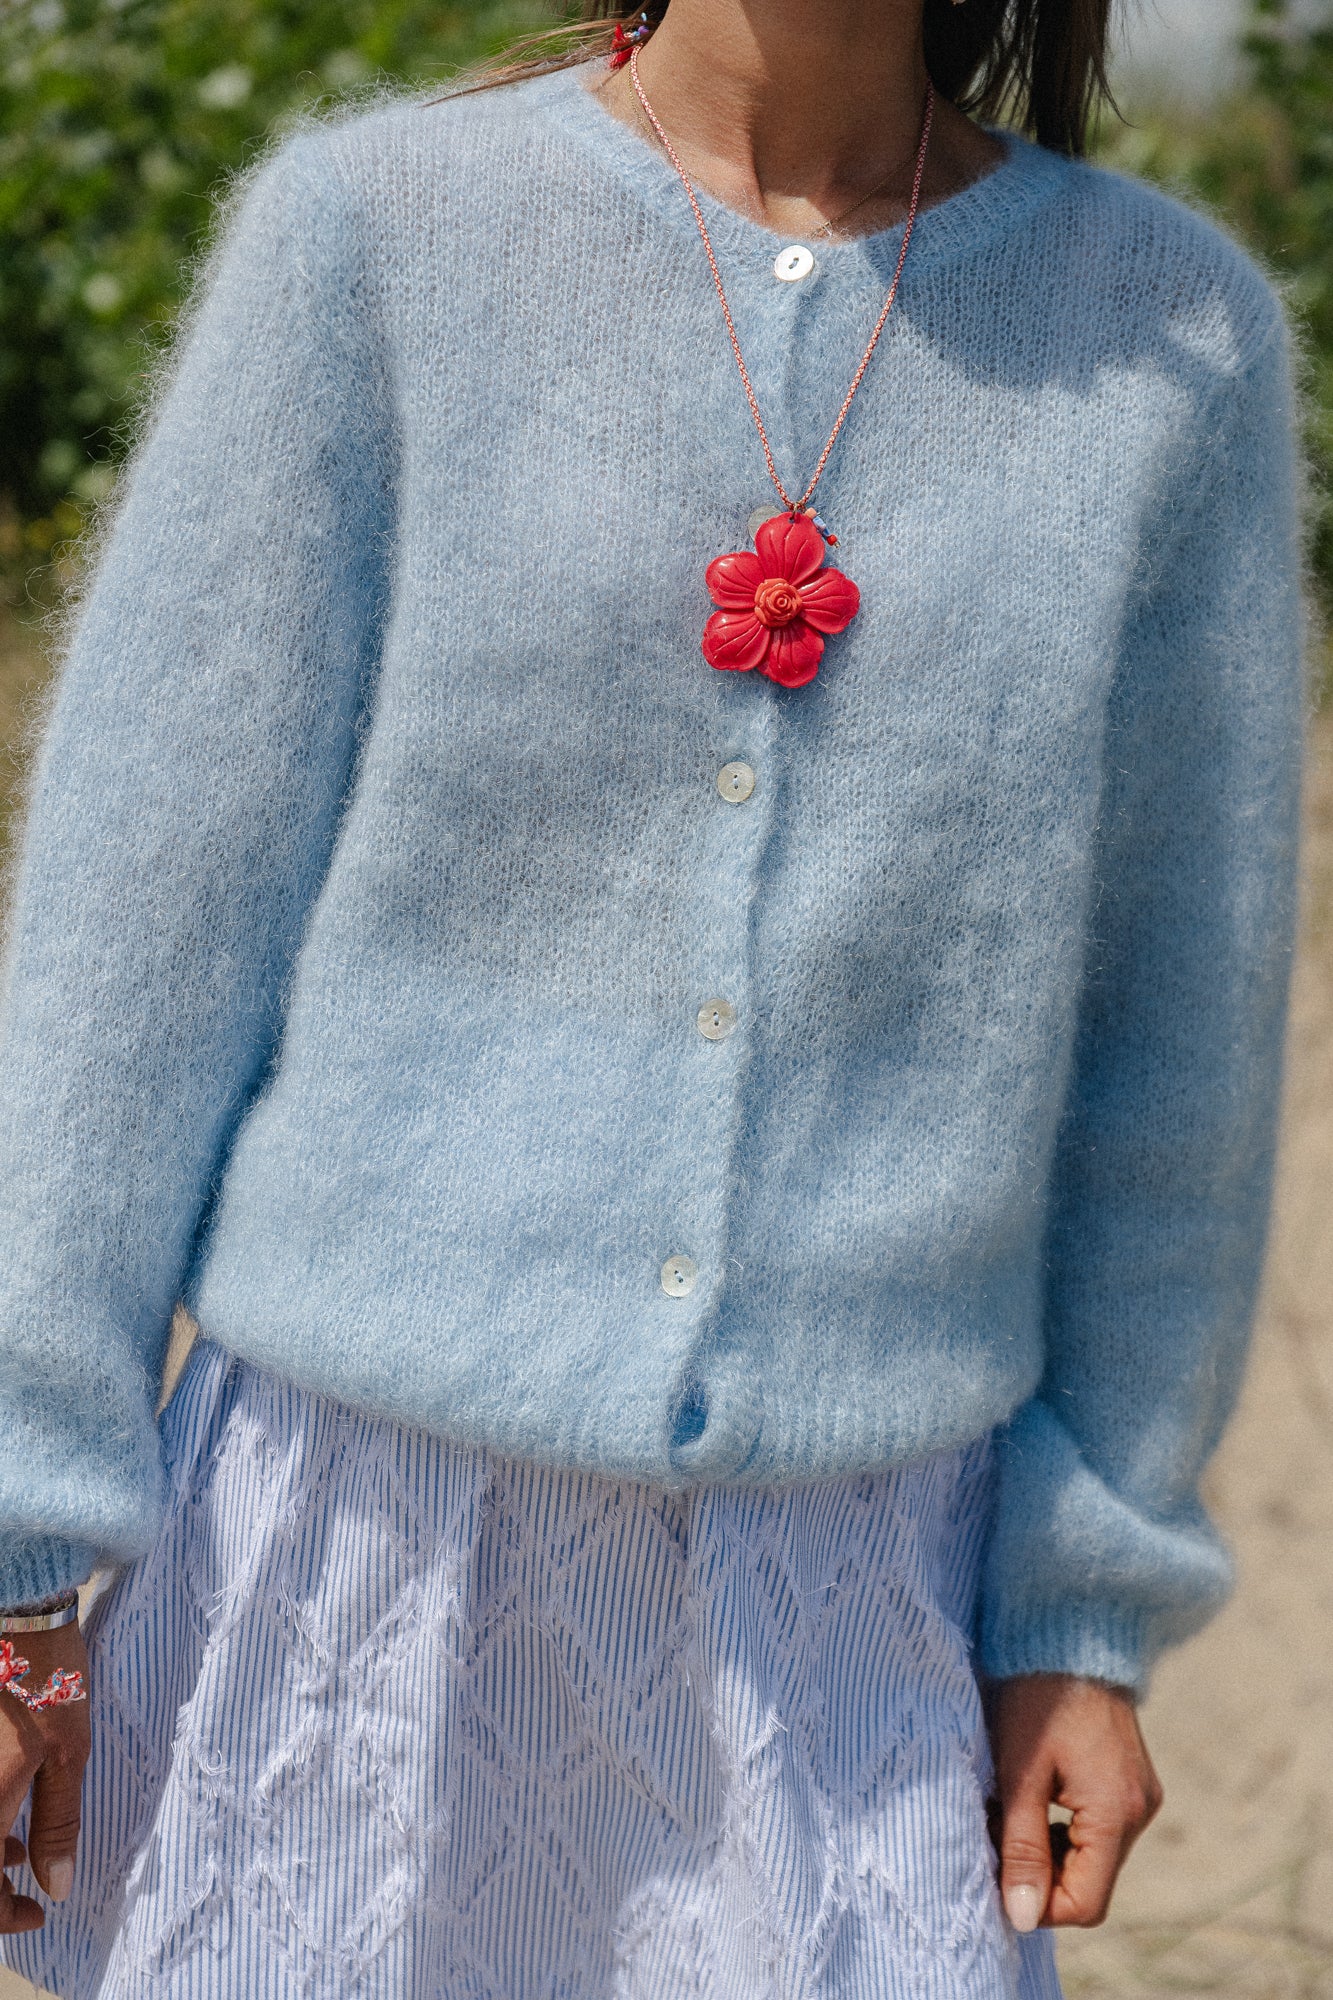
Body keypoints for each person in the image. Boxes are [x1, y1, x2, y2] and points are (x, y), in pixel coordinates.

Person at [0, 0, 1304, 1992]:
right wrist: (19, 1548)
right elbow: (130, 948)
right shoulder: (371, 244)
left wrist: (1080, 1601)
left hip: (856, 1590)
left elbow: (1170, 1057)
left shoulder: (1167, 343)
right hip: (349, 1560)